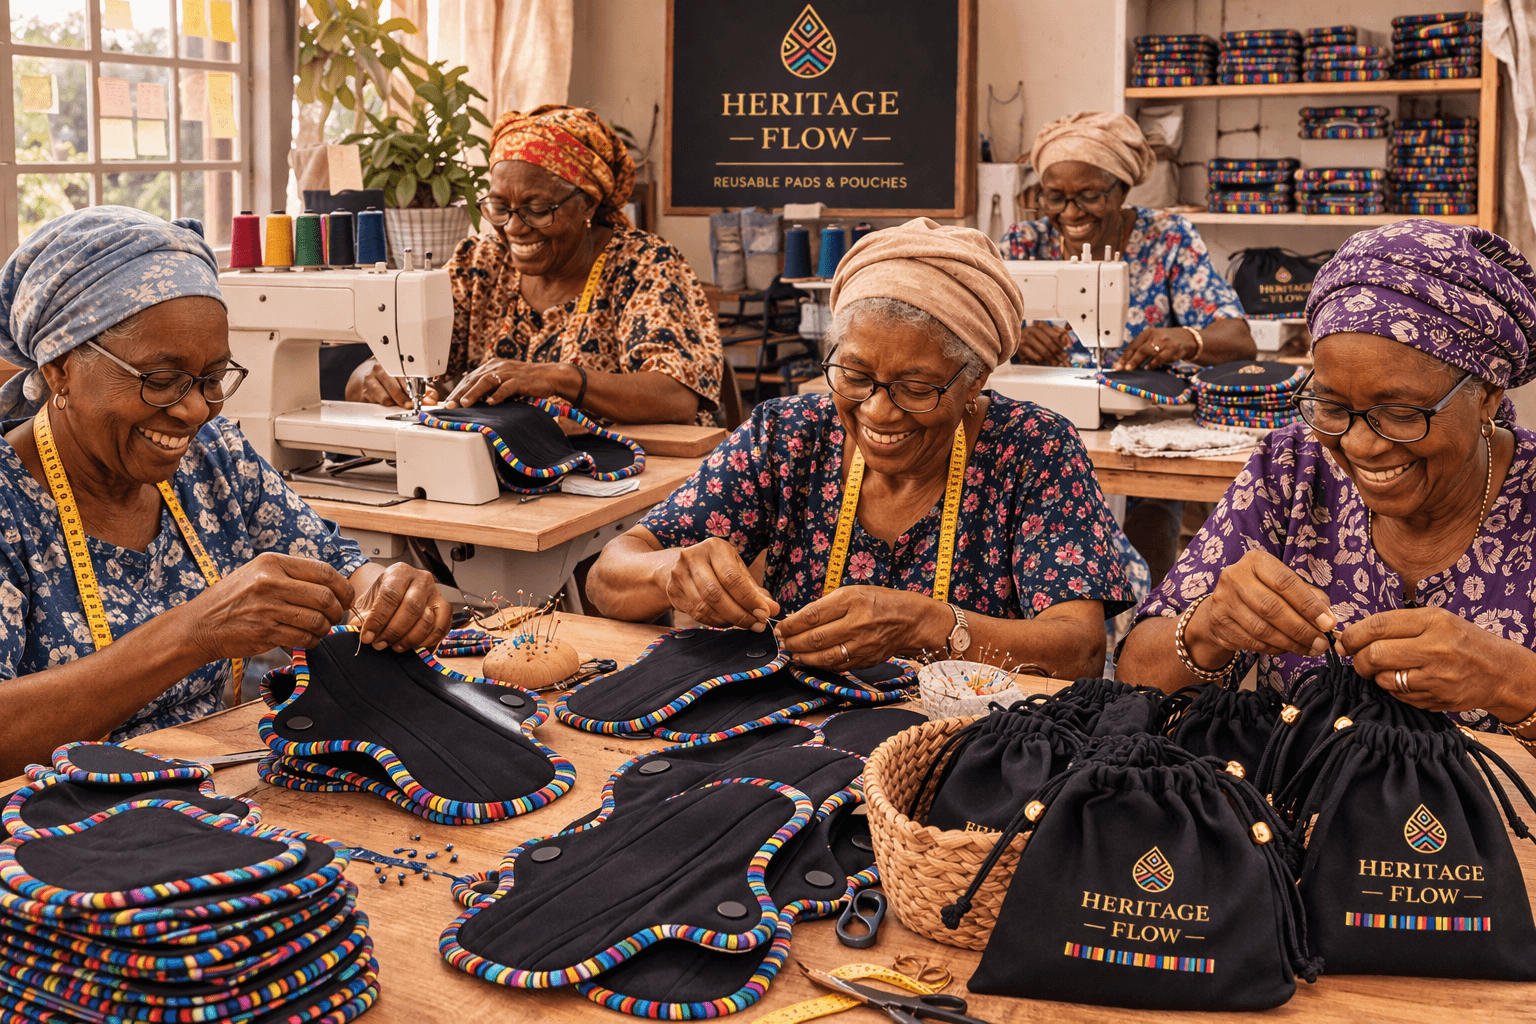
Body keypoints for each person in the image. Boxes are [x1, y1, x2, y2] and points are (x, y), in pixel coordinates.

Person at [0, 207, 453, 777]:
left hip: (210, 788)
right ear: (61, 369)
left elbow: (337, 567)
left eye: (211, 379)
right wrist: (193, 633)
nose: (193, 410)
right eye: (160, 381)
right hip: (50, 832)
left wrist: (387, 595)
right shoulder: (8, 503)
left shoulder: (213, 456)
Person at [587, 218, 1138, 681]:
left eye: (917, 388)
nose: (877, 410)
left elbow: (1081, 651)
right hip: (791, 728)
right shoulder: (787, 437)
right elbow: (608, 575)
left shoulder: (1034, 450)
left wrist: (926, 626)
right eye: (853, 375)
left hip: (963, 749)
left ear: (975, 384)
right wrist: (671, 573)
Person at [1118, 220, 1536, 756]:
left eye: (1401, 413)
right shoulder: (1293, 471)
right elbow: (1134, 679)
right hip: (1298, 820)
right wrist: (1209, 628)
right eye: (1333, 407)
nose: (1359, 445)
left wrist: (1515, 684)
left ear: (1487, 396)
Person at [349, 104, 724, 427]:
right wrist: (376, 375)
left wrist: (559, 378)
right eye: (499, 207)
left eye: (538, 209)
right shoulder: (479, 262)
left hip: (625, 481)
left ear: (588, 204)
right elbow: (364, 377)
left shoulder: (644, 266)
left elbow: (676, 395)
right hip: (508, 478)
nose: (513, 227)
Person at [1004, 111, 1256, 372]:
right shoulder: (1022, 244)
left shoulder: (1167, 238)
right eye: (1054, 197)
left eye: (1090, 196)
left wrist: (1189, 340)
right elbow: (968, 332)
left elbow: (1241, 342)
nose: (1071, 212)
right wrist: (1013, 341)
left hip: (1148, 407)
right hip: (1038, 405)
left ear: (1122, 189)